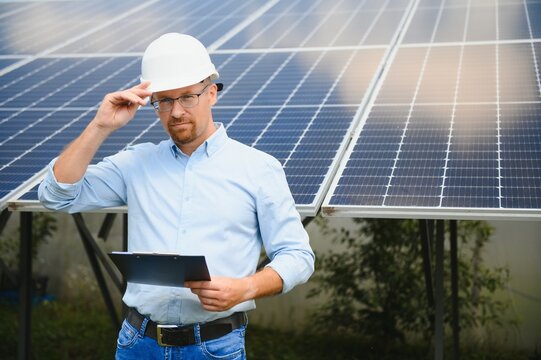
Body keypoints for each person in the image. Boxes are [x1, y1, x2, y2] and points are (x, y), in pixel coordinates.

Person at [38, 33, 315, 359]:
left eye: (187, 97)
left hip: (214, 346)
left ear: (212, 93)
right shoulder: (135, 163)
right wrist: (100, 126)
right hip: (137, 344)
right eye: (164, 100)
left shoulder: (258, 169)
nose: (176, 111)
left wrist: (245, 288)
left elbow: (298, 256)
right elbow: (56, 195)